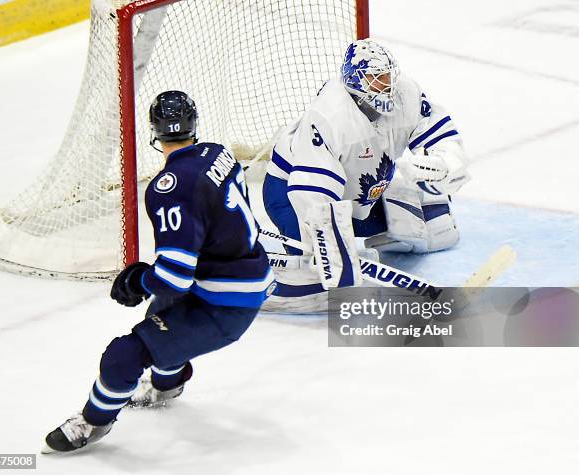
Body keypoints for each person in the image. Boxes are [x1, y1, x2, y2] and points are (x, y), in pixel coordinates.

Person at [42, 91, 275, 453]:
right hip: (245, 272)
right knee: (163, 309)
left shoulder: (168, 187)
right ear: (194, 125)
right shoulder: (219, 153)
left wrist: (138, 280)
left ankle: (92, 423)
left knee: (124, 355)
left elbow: (175, 276)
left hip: (227, 305)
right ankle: (169, 383)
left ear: (155, 133)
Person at [261, 39, 470, 300]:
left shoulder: (406, 93)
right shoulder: (330, 115)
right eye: (375, 78)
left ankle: (359, 235)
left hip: (362, 192)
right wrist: (333, 253)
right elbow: (313, 197)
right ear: (354, 82)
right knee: (321, 277)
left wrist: (444, 164)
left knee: (438, 231)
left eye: (387, 76)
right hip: (291, 195)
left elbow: (443, 137)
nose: (387, 85)